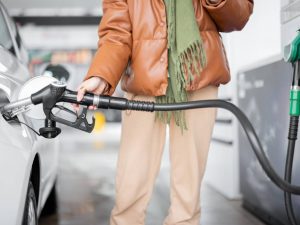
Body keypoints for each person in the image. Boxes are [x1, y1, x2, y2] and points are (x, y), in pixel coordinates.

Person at [75, 0, 254, 224]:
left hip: (198, 75)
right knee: (131, 182)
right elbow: (116, 33)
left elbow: (237, 17)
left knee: (187, 194)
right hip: (143, 81)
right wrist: (101, 75)